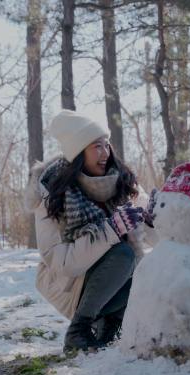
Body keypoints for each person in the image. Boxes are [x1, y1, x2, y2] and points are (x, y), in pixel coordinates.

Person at [24, 109, 153, 353]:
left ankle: (110, 327)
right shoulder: (51, 192)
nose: (105, 153)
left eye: (106, 145)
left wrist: (166, 213)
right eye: (96, 146)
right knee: (123, 253)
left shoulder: (123, 183)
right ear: (78, 153)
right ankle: (79, 330)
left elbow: (152, 228)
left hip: (112, 280)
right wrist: (110, 230)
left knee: (148, 270)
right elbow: (59, 261)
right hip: (68, 283)